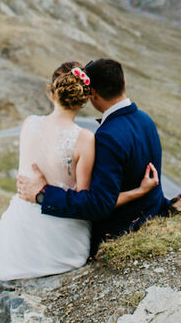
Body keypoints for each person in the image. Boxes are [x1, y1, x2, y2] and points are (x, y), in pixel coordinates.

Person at [0, 61, 157, 284]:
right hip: (61, 244)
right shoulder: (85, 139)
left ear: (52, 93)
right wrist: (138, 191)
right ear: (85, 98)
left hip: (15, 242)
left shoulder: (29, 124)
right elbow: (86, 202)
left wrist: (41, 193)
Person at [16, 58, 169, 257]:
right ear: (124, 83)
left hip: (123, 229)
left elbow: (97, 204)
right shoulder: (145, 119)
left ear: (93, 95)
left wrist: (41, 195)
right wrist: (140, 191)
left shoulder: (107, 137)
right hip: (153, 212)